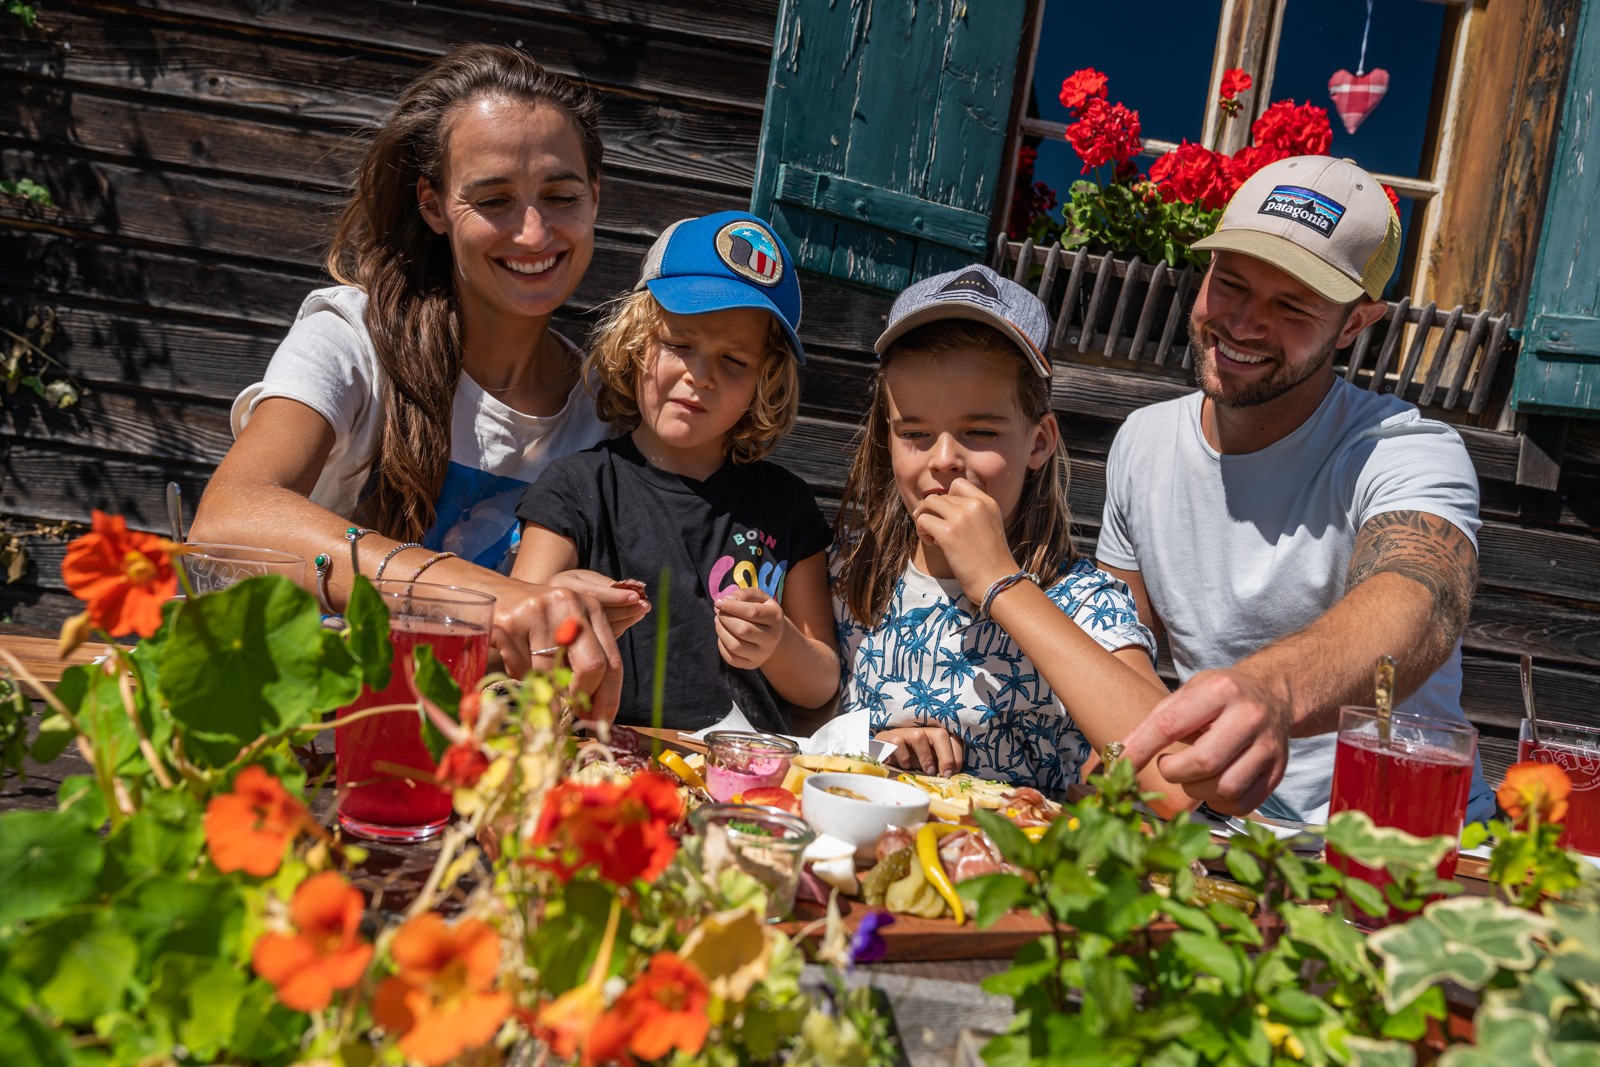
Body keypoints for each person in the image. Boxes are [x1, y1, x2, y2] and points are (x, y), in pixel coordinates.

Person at [190, 44, 632, 716]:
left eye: (561, 196)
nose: (533, 233)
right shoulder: (351, 337)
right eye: (494, 199)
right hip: (294, 736)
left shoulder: (608, 413)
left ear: (595, 195)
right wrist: (477, 593)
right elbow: (228, 518)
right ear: (433, 204)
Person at [1100, 155, 1494, 822]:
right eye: (1230, 283)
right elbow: (1119, 640)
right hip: (1224, 837)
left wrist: (1273, 691)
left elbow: (1421, 595)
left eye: (1292, 305)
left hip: (1407, 840)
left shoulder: (1407, 448)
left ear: (1354, 325)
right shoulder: (1143, 440)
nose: (1244, 324)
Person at [831, 265, 1193, 813]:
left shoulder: (1084, 601)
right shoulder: (851, 569)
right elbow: (810, 721)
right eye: (915, 432)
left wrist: (1001, 583)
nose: (944, 459)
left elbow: (1174, 779)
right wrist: (872, 746)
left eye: (980, 432)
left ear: (1039, 442)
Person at [513, 211, 838, 732]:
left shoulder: (788, 505)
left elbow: (822, 683)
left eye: (734, 360)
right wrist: (558, 600)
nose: (700, 375)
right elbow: (510, 636)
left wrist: (779, 643)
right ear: (636, 341)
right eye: (679, 344)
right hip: (601, 758)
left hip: (742, 768)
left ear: (766, 381)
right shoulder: (575, 488)